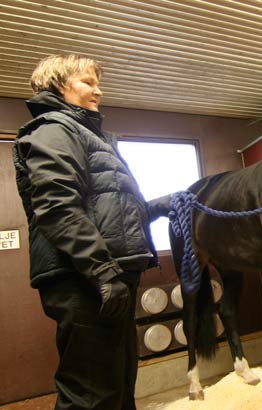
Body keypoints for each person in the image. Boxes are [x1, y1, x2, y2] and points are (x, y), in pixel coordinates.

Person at [12, 54, 172, 410]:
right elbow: (57, 207)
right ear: (58, 84)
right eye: (88, 82)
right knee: (91, 395)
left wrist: (165, 203)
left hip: (107, 273)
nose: (98, 92)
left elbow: (112, 211)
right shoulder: (55, 129)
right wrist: (102, 272)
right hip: (84, 277)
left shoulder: (90, 136)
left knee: (117, 387)